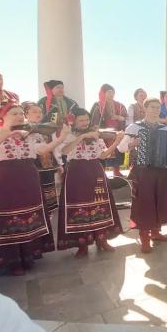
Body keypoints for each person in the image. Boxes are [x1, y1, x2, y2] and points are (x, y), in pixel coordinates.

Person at [0, 104, 69, 275]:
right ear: (3, 117)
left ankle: (29, 255)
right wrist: (7, 133)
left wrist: (62, 138)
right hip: (5, 179)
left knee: (29, 214)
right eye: (14, 113)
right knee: (10, 216)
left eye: (21, 113)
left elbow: (42, 150)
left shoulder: (30, 134)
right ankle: (13, 260)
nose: (19, 116)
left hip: (29, 176)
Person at [58, 109, 125, 257]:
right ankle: (82, 244)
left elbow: (103, 154)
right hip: (76, 173)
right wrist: (82, 136)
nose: (85, 123)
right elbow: (64, 151)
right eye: (81, 120)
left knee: (100, 205)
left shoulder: (96, 136)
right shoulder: (68, 135)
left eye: (87, 120)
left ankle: (102, 240)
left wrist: (117, 141)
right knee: (79, 207)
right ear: (74, 121)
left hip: (95, 171)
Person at [117, 98, 167, 253]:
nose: (155, 110)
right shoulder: (134, 127)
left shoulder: (166, 129)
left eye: (158, 108)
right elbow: (121, 148)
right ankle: (144, 238)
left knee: (160, 201)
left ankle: (156, 233)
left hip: (161, 171)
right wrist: (132, 144)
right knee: (144, 203)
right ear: (145, 108)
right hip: (142, 170)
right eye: (152, 107)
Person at [23, 102, 62, 215]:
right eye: (34, 111)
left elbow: (52, 148)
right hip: (33, 167)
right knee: (36, 195)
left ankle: (48, 220)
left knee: (49, 198)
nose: (38, 114)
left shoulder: (46, 129)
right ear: (26, 114)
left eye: (40, 111)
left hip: (47, 167)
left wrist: (58, 163)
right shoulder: (24, 129)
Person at [91, 84, 128, 176]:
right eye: (108, 92)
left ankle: (116, 171)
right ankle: (102, 172)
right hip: (103, 134)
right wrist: (96, 130)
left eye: (112, 92)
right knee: (102, 152)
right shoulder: (98, 105)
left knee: (117, 151)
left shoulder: (120, 106)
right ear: (103, 93)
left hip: (117, 132)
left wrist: (118, 117)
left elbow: (126, 118)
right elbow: (93, 120)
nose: (111, 94)